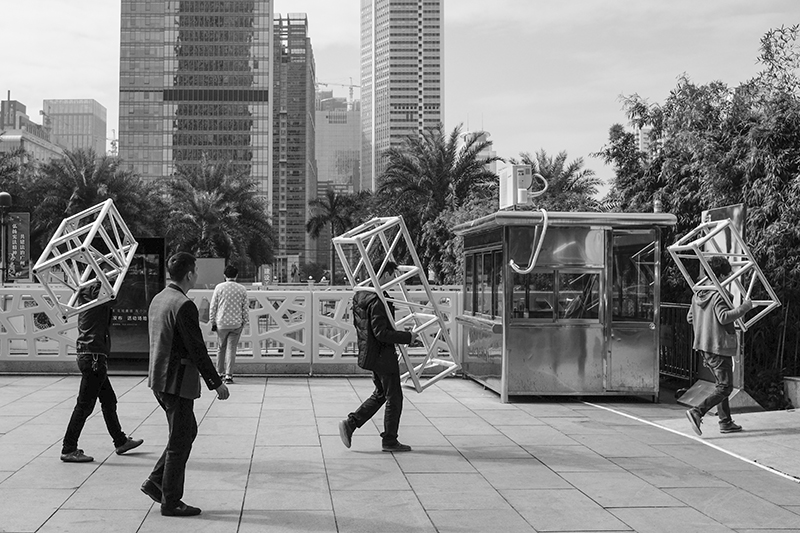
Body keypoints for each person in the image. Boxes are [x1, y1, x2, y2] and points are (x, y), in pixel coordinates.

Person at [142, 252, 231, 517]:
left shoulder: (159, 298)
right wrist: (216, 383)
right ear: (190, 274)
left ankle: (156, 481)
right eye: (196, 270)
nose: (197, 274)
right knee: (180, 440)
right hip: (176, 382)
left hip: (159, 378)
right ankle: (171, 501)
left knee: (186, 431)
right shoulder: (184, 305)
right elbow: (196, 349)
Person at [60, 278, 144, 463]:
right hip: (94, 357)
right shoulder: (96, 296)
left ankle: (120, 441)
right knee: (84, 405)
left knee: (108, 400)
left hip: (91, 355)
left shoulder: (87, 296)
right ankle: (69, 448)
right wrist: (112, 281)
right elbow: (114, 299)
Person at [338, 260, 418, 452]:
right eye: (392, 275)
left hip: (371, 353)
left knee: (381, 394)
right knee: (394, 398)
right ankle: (389, 440)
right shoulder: (378, 300)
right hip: (383, 356)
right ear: (385, 274)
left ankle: (351, 423)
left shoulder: (361, 295)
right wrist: (408, 337)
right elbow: (381, 333)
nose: (394, 280)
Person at [685, 256, 753, 436]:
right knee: (725, 387)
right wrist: (745, 307)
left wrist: (704, 325)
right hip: (718, 345)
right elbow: (723, 317)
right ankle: (697, 411)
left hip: (704, 345)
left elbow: (690, 318)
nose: (729, 277)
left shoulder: (699, 292)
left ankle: (725, 421)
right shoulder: (718, 295)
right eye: (728, 274)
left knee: (720, 385)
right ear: (721, 275)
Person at [209, 264, 249, 384]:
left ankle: (219, 373)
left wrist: (212, 321)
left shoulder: (219, 287)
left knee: (221, 348)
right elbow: (245, 308)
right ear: (236, 275)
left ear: (224, 275)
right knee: (232, 349)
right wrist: (244, 321)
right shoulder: (242, 289)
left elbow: (213, 306)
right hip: (236, 324)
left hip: (221, 323)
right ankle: (229, 375)